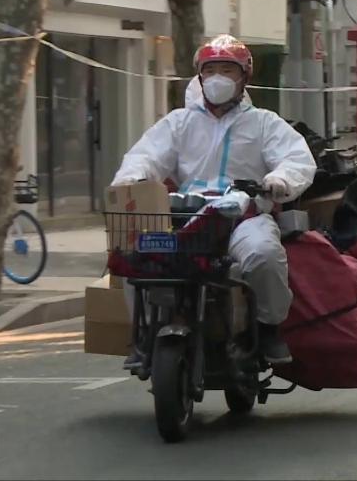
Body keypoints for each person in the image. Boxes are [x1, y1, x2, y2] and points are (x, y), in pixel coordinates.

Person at [111, 34, 317, 366]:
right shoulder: (179, 122)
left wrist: (280, 180)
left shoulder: (264, 123)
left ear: (244, 77)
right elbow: (145, 156)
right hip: (185, 216)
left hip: (243, 216)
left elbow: (296, 160)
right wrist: (129, 181)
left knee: (264, 255)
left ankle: (268, 329)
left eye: (227, 70)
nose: (217, 78)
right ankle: (145, 333)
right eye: (210, 70)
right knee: (135, 255)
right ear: (199, 76)